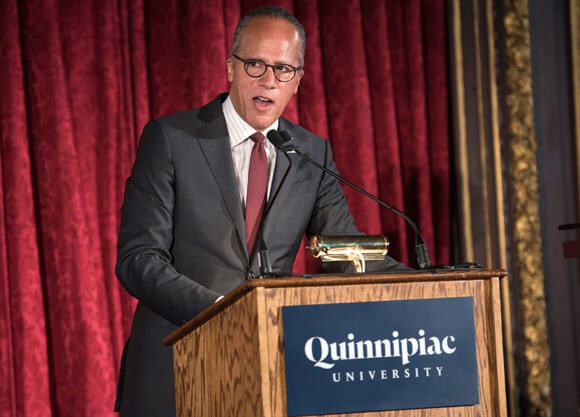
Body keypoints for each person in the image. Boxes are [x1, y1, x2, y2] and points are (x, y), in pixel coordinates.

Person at [114, 6, 408, 416]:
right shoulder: (171, 139)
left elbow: (349, 256)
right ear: (231, 67)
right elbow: (138, 260)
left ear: (298, 81)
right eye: (255, 64)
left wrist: (434, 289)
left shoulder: (310, 153)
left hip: (269, 374)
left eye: (284, 69)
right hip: (177, 364)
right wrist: (223, 313)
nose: (269, 80)